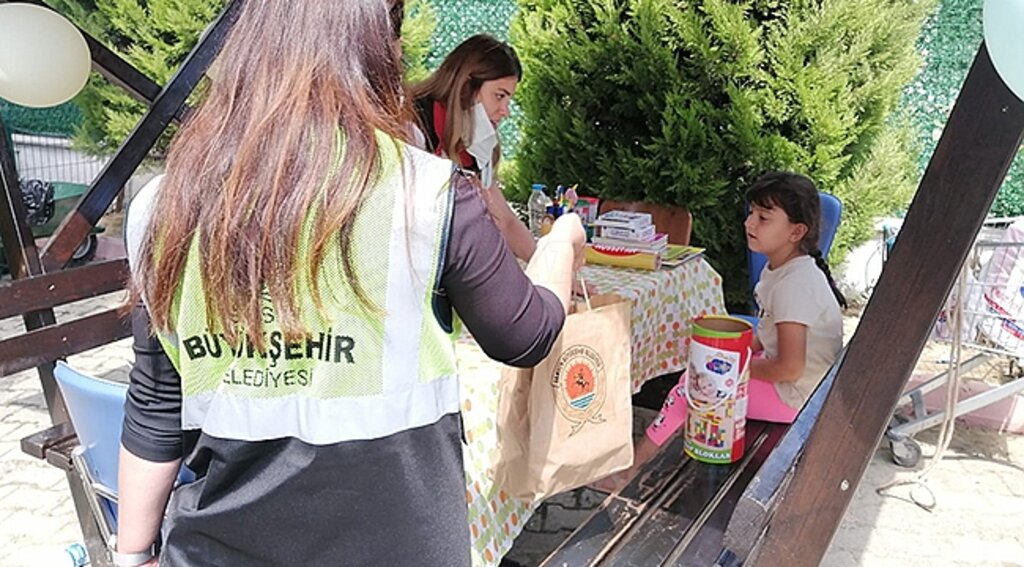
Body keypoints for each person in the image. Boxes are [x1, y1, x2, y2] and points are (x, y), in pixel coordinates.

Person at [114, 2, 585, 566]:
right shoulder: (429, 193)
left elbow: (157, 402)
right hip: (398, 545)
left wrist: (132, 552)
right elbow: (524, 335)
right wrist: (561, 245)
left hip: (217, 546)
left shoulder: (160, 206)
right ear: (373, 48)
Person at [594, 171, 845, 491]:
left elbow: (790, 367)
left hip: (797, 398)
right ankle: (663, 458)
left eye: (764, 218)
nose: (750, 223)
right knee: (699, 376)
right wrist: (724, 355)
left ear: (796, 231)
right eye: (752, 213)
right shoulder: (782, 268)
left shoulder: (795, 285)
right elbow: (766, 335)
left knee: (691, 390)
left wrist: (729, 368)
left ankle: (631, 472)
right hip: (799, 388)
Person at [409, 34, 537, 262]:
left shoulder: (476, 139)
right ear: (466, 87)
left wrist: (549, 267)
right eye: (499, 96)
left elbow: (504, 220)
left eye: (508, 100)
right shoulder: (413, 122)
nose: (505, 111)